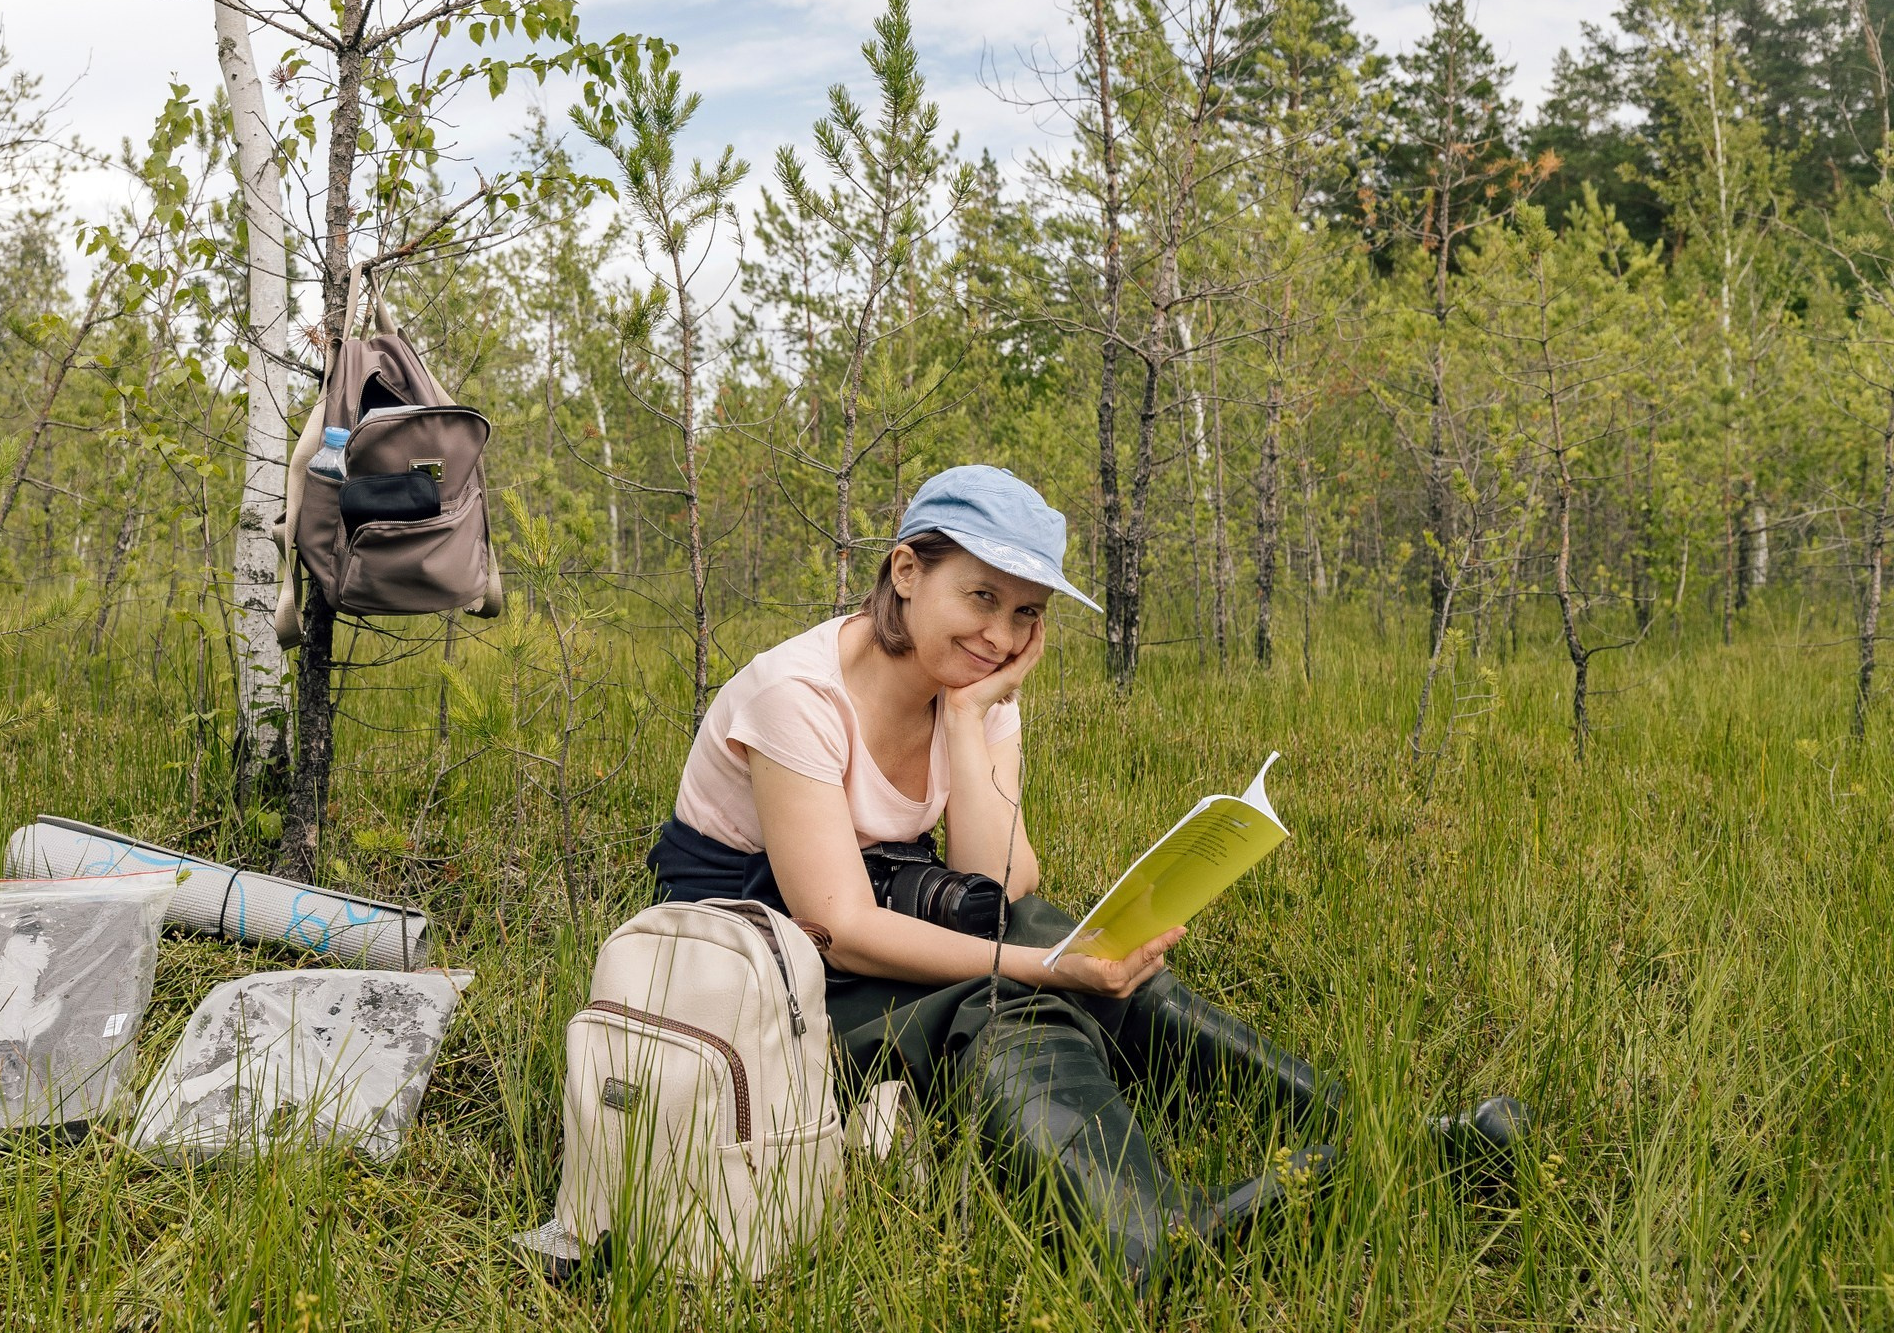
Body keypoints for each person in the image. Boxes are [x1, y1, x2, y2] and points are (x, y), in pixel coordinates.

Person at [650, 465, 1524, 1284]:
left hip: (863, 932)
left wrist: (966, 722)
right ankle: (1141, 1232)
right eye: (982, 596)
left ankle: (1382, 1142)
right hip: (759, 982)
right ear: (907, 570)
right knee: (1013, 986)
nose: (1001, 635)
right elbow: (836, 921)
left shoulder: (976, 686)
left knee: (1075, 941)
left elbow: (1004, 881)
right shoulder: (796, 694)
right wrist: (1050, 968)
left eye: (1027, 612)